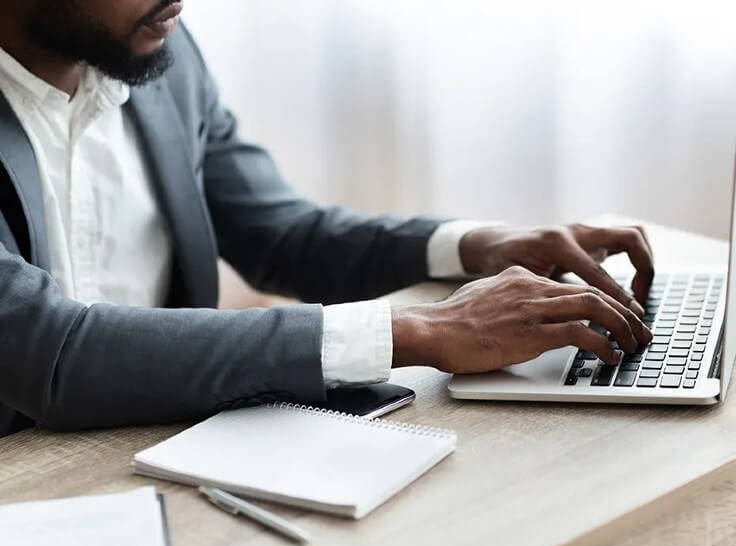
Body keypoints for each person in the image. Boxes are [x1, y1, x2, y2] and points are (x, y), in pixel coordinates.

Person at [0, 0, 653, 438]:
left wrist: (474, 243)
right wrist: (422, 329)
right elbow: (53, 352)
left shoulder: (151, 45)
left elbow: (279, 233)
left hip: (158, 444)